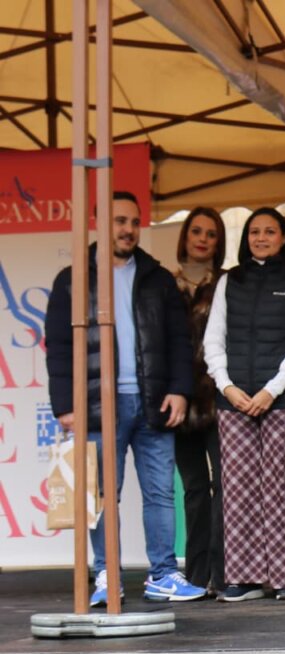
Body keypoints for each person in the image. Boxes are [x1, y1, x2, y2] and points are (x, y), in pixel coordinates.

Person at [45, 191, 202, 607]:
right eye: (119, 221)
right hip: (99, 405)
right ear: (99, 223)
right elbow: (59, 347)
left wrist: (180, 390)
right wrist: (65, 406)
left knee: (160, 494)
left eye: (134, 222)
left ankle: (163, 575)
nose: (128, 229)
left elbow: (179, 341)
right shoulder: (73, 279)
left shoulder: (158, 278)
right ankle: (106, 576)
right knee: (101, 496)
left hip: (154, 402)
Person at [203, 207, 285, 601]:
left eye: (270, 231)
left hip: (284, 400)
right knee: (239, 491)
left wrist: (272, 389)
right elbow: (213, 340)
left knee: (282, 487)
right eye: (255, 231)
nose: (261, 238)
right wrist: (226, 386)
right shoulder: (229, 281)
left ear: (283, 237)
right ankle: (245, 578)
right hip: (234, 400)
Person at [172, 207, 226, 593]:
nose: (203, 239)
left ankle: (222, 574)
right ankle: (195, 574)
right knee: (193, 489)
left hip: (219, 395)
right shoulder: (164, 283)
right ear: (186, 236)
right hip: (177, 399)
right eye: (196, 231)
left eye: (211, 233)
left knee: (224, 486)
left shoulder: (226, 283)